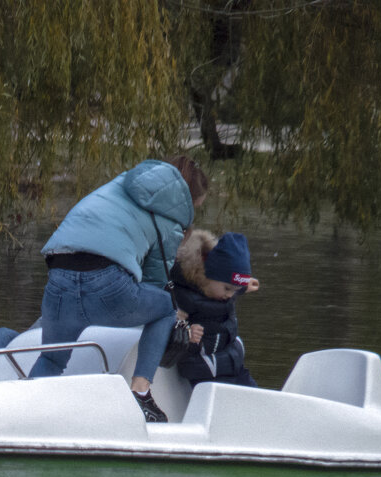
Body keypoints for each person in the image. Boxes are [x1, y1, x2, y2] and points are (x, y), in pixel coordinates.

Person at [28, 156, 210, 422]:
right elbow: (155, 280)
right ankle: (140, 393)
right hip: (106, 281)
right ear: (186, 198)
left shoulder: (121, 182)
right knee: (164, 307)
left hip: (58, 272)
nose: (192, 213)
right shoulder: (171, 216)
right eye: (196, 207)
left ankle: (26, 412)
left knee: (53, 360)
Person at [169, 230, 259, 387]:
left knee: (256, 396)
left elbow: (227, 284)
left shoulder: (218, 289)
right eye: (227, 289)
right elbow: (168, 320)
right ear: (208, 275)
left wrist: (243, 286)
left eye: (235, 290)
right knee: (230, 401)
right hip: (206, 371)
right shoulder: (184, 295)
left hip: (231, 364)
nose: (230, 295)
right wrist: (186, 332)